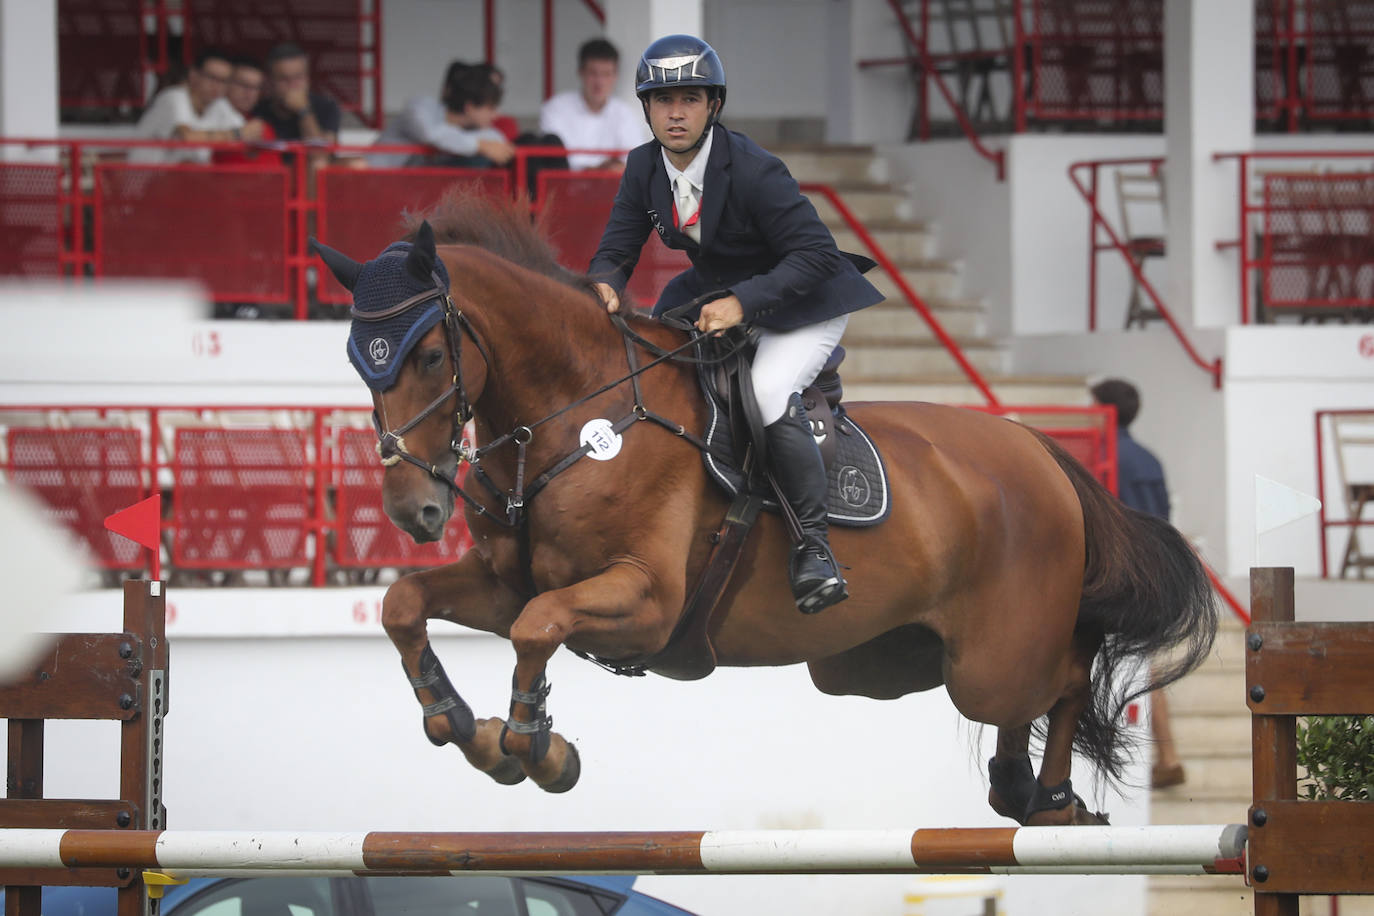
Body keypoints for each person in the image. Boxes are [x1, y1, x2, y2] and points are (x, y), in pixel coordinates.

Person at [588, 35, 883, 614]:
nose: (676, 113)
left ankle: (813, 547)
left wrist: (743, 304)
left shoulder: (752, 168)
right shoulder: (643, 165)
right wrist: (601, 287)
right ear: (645, 108)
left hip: (803, 298)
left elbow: (817, 255)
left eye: (690, 99)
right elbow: (617, 250)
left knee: (769, 392)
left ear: (713, 106)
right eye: (662, 100)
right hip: (719, 288)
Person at [1091, 378, 1186, 790]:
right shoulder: (1150, 459)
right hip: (1156, 573)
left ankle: (1156, 757)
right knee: (1146, 667)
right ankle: (1168, 757)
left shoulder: (1103, 455)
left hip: (1119, 576)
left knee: (1131, 670)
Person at [371, 61, 515, 169]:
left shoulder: (475, 130)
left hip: (409, 197)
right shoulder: (421, 107)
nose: (496, 115)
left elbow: (496, 141)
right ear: (469, 108)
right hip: (373, 185)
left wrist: (481, 145)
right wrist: (479, 146)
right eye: (490, 108)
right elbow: (430, 134)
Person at [133, 48, 259, 163]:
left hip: (179, 182)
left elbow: (248, 140)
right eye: (211, 77)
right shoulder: (173, 97)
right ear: (193, 75)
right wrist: (237, 134)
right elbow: (187, 138)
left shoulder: (219, 105)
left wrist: (252, 133)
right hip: (143, 183)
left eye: (223, 81)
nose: (217, 86)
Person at [539, 38, 646, 172]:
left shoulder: (625, 114)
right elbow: (556, 163)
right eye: (593, 73)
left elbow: (636, 163)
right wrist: (604, 169)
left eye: (606, 74)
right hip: (566, 189)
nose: (599, 82)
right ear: (581, 72)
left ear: (615, 76)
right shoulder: (555, 108)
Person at [252, 43, 341, 167]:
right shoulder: (258, 109)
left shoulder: (326, 106)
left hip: (308, 177)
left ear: (307, 78)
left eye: (298, 78)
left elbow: (320, 154)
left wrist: (303, 110)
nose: (292, 85)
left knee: (318, 163)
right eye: (284, 79)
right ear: (270, 82)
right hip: (272, 177)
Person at [213, 56, 281, 168]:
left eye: (255, 87)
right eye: (243, 85)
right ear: (227, 84)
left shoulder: (263, 127)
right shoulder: (213, 111)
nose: (249, 92)